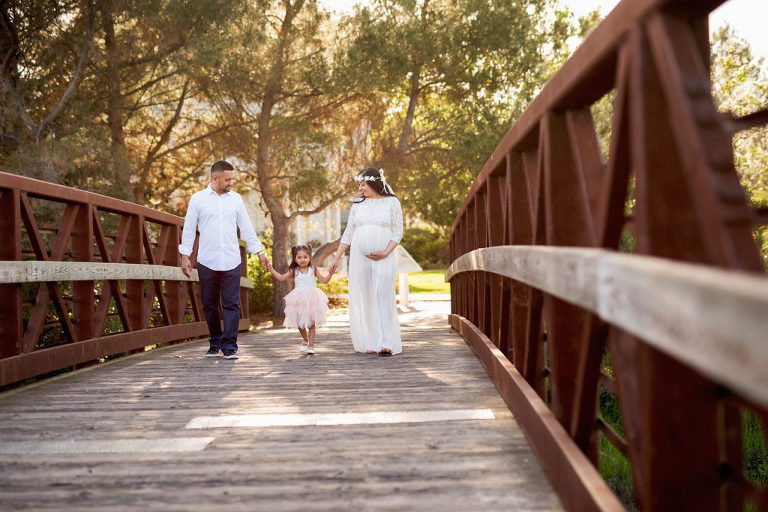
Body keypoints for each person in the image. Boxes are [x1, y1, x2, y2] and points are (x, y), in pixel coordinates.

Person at [179, 160, 270, 360]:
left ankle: (229, 346)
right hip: (207, 260)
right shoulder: (198, 199)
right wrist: (185, 255)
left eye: (232, 179)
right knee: (209, 304)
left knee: (231, 304)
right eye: (227, 179)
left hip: (231, 260)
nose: (231, 182)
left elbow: (246, 228)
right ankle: (215, 342)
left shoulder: (236, 200)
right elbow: (188, 229)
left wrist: (259, 252)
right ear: (214, 179)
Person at [328, 167, 403, 356]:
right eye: (360, 185)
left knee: (382, 295)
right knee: (367, 297)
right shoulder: (357, 205)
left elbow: (398, 231)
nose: (360, 188)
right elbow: (348, 233)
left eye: (363, 184)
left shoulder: (392, 202)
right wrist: (336, 257)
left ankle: (387, 342)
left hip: (384, 256)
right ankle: (372, 341)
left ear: (373, 182)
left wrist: (386, 252)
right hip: (359, 258)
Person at [269, 244, 333, 355]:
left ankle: (311, 346)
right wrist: (271, 269)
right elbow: (280, 277)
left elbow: (323, 281)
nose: (302, 260)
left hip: (313, 299)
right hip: (298, 299)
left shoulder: (313, 269)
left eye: (305, 257)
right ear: (295, 259)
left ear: (309, 257)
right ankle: (305, 340)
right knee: (299, 323)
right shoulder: (294, 270)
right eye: (299, 257)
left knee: (311, 324)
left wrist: (330, 274)